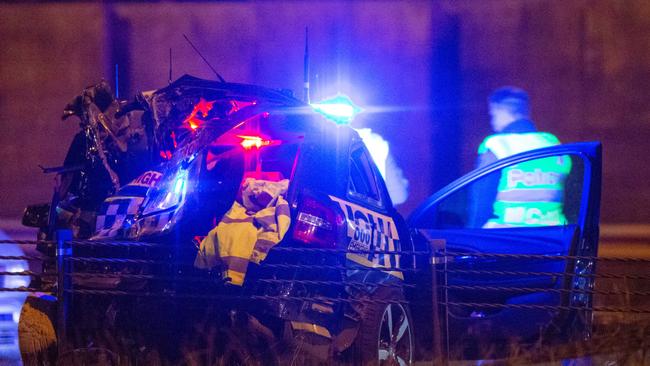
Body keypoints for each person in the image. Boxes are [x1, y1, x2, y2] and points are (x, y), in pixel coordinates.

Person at [473, 86, 571, 228]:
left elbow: (481, 201)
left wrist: (472, 237)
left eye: (492, 115)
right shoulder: (554, 145)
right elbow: (572, 197)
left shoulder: (497, 146)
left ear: (499, 110)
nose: (492, 122)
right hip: (552, 237)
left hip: (505, 238)